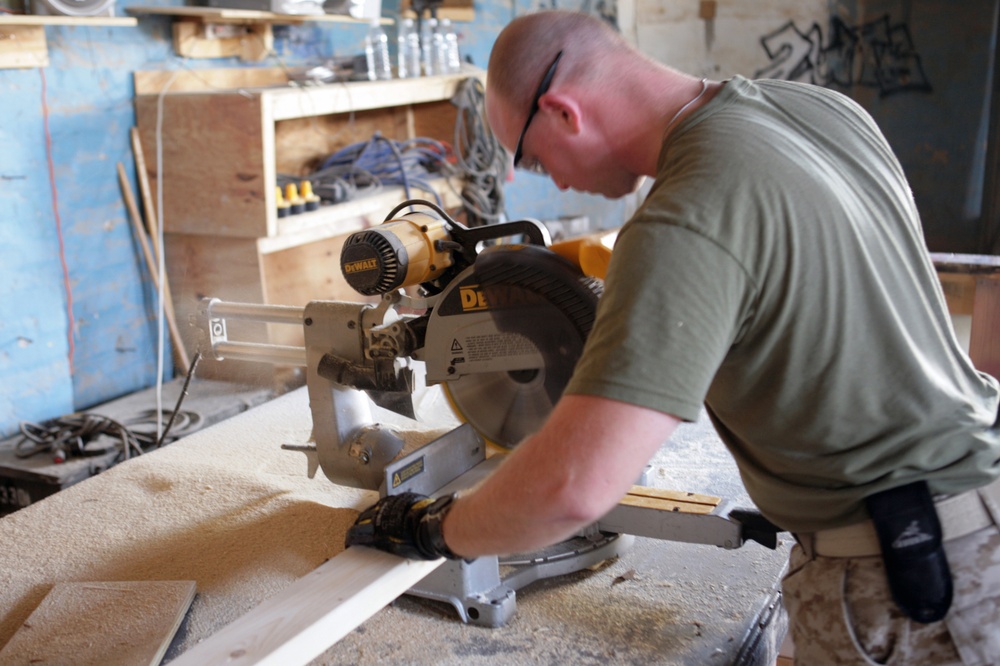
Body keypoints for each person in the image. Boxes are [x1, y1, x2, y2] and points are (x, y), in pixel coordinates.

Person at [346, 10, 1000, 664]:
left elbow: (574, 487)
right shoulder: (821, 111)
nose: (546, 177)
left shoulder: (681, 221)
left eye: (534, 158)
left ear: (565, 112)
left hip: (912, 584)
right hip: (977, 502)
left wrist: (436, 528)